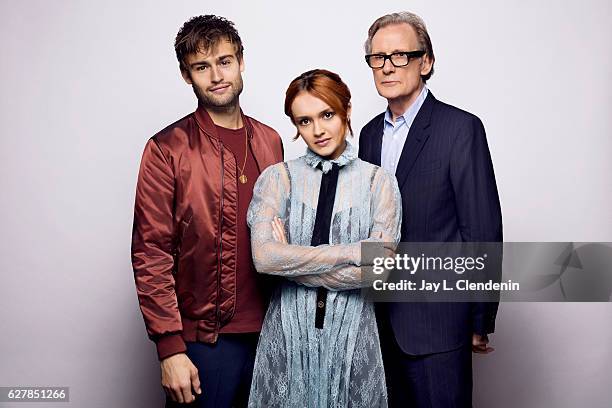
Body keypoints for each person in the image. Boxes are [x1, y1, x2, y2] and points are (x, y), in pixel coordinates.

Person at [131, 15, 283, 407]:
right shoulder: (168, 149)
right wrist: (169, 348)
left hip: (273, 337)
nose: (216, 75)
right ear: (187, 75)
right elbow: (150, 251)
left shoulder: (270, 141)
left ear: (241, 61)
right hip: (204, 345)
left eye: (224, 61)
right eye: (202, 66)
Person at [358, 12, 503, 408]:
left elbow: (482, 230)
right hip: (377, 325)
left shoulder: (460, 128)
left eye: (401, 55)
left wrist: (479, 318)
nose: (387, 66)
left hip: (439, 325)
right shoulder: (369, 135)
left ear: (426, 62)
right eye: (378, 57)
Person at [246, 69, 401, 407]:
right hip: (287, 336)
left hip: (353, 336)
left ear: (346, 110)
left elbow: (379, 272)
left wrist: (290, 262)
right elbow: (264, 258)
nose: (317, 130)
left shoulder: (379, 182)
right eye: (304, 121)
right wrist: (352, 251)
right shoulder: (278, 178)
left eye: (326, 115)